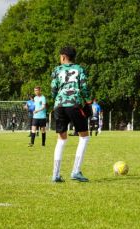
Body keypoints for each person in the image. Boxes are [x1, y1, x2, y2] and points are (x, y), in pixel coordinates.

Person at [50, 46, 91, 183]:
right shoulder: (80, 69)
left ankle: (55, 174)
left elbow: (53, 88)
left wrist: (56, 99)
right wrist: (88, 102)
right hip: (74, 104)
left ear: (63, 56)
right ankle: (75, 171)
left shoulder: (56, 70)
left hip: (59, 105)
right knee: (84, 137)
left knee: (61, 139)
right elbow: (84, 87)